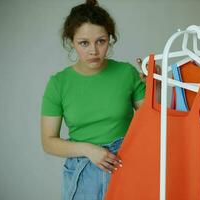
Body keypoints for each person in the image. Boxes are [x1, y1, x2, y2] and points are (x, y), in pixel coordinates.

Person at [41, 0, 150, 199]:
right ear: (71, 41)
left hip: (125, 163)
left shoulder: (126, 73)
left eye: (101, 41)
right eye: (84, 43)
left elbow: (150, 124)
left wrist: (155, 88)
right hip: (82, 171)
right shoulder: (58, 83)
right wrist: (88, 149)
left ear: (110, 38)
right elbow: (48, 142)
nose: (93, 50)